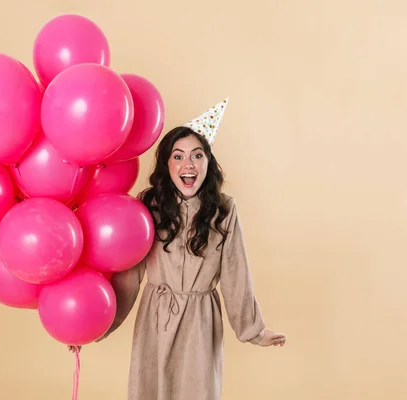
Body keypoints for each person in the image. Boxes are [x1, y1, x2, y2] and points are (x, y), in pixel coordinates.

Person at [72, 101, 286, 399]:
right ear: (167, 165)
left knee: (196, 389)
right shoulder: (148, 206)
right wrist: (97, 327)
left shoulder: (223, 210)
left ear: (208, 164)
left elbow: (236, 274)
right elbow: (128, 277)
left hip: (200, 319)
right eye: (178, 156)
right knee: (151, 388)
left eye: (197, 156)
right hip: (156, 317)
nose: (189, 165)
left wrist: (255, 331)